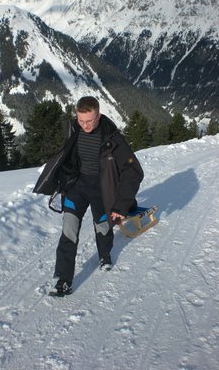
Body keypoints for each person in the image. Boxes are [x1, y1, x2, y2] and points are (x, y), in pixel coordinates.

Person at [33, 96, 144, 296]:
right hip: (76, 188)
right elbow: (65, 157)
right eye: (81, 120)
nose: (85, 125)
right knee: (69, 230)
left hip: (102, 189)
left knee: (102, 225)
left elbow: (133, 171)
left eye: (89, 120)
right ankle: (63, 281)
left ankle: (104, 255)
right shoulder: (73, 130)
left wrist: (120, 205)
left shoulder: (113, 139)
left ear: (98, 115)